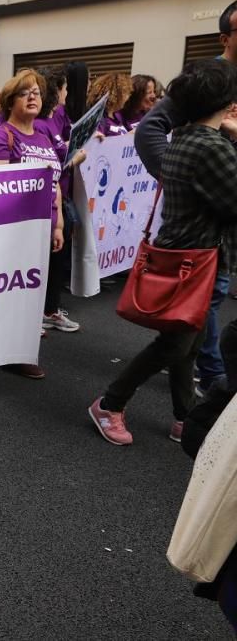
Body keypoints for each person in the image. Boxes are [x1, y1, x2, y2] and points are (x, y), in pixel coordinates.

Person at [89, 58, 237, 446]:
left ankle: (185, 416)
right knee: (175, 344)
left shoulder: (184, 140)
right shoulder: (213, 148)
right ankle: (110, 402)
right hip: (198, 260)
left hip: (186, 255)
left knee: (187, 342)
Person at [135, 0, 237, 400]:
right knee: (197, 311)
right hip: (206, 229)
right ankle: (209, 378)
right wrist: (182, 180)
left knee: (188, 325)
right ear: (225, 38)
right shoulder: (209, 80)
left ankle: (185, 410)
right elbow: (149, 131)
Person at [0, 69, 65, 380]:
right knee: (5, 294)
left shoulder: (42, 136)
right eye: (24, 93)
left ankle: (16, 350)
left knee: (30, 294)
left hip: (42, 230)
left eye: (37, 93)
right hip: (13, 233)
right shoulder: (1, 137)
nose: (32, 97)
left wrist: (58, 224)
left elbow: (54, 182)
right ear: (9, 101)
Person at [35, 66, 86, 335]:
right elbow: (52, 166)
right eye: (64, 88)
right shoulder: (40, 125)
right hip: (47, 203)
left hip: (60, 199)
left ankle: (49, 309)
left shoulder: (57, 117)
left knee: (57, 258)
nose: (67, 93)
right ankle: (44, 311)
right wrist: (73, 159)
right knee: (48, 261)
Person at [87, 72, 133, 137]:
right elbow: (98, 140)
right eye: (126, 93)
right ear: (116, 94)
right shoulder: (99, 118)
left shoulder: (118, 115)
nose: (128, 97)